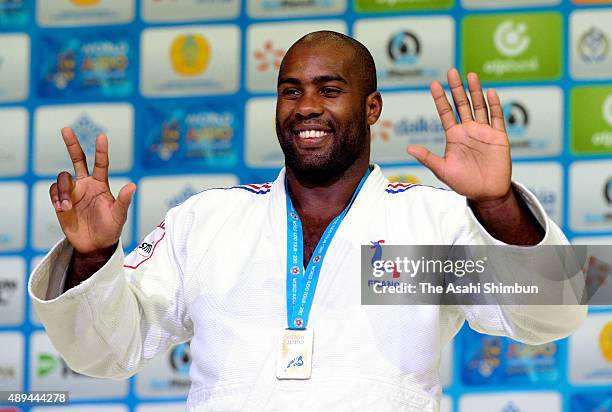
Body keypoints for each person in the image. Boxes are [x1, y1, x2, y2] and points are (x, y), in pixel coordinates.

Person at [29, 31, 586, 411]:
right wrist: (95, 258)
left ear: (372, 109)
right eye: (290, 91)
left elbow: (549, 316)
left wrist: (495, 204)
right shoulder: (209, 223)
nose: (306, 107)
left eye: (330, 90)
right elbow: (104, 349)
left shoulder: (424, 224)